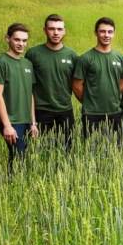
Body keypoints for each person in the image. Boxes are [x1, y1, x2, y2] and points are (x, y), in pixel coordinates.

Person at [72, 17, 123, 137]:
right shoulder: (86, 58)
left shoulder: (121, 59)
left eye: (110, 32)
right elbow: (77, 86)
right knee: (92, 150)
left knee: (115, 149)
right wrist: (90, 101)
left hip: (115, 112)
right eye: (102, 31)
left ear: (114, 33)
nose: (106, 35)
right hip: (91, 114)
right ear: (96, 33)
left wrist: (112, 96)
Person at [25, 14, 77, 146]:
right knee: (39, 150)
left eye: (59, 29)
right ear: (45, 30)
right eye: (51, 29)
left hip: (65, 111)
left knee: (67, 151)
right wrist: (32, 121)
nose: (55, 33)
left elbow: (78, 84)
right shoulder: (33, 54)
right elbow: (27, 87)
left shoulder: (72, 55)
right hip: (41, 111)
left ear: (64, 31)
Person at [0, 23, 38, 171]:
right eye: (17, 39)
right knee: (19, 156)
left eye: (24, 41)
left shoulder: (28, 64)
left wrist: (33, 122)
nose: (21, 44)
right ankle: (12, 186)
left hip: (25, 120)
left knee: (21, 156)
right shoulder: (1, 63)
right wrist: (7, 126)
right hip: (11, 120)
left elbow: (30, 94)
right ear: (7, 39)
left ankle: (16, 187)